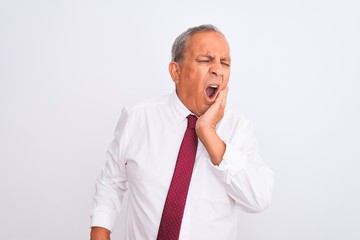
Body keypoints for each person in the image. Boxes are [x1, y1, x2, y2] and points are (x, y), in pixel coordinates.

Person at [90, 24, 275, 240]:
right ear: (175, 72)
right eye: (206, 60)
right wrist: (100, 232)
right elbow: (111, 182)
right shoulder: (138, 117)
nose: (218, 69)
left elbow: (259, 199)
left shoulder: (239, 129)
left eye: (225, 63)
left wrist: (209, 134)